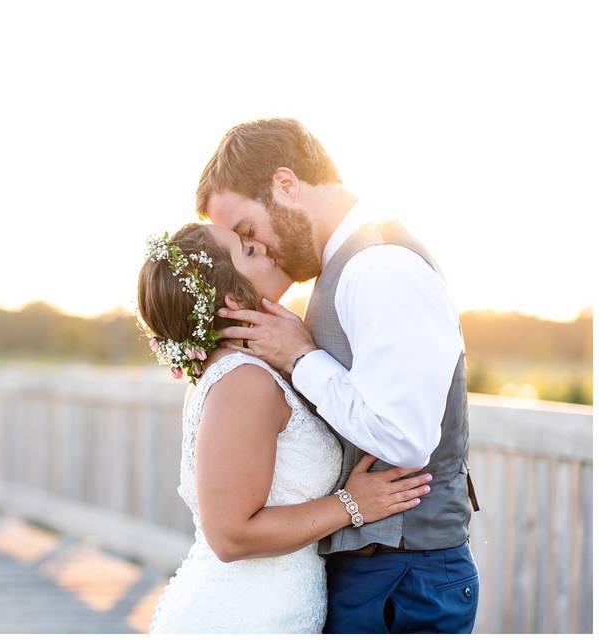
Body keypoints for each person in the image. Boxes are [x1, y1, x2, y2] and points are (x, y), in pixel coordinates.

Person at [197, 117, 481, 633]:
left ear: (286, 184)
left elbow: (404, 439)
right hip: (375, 567)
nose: (254, 251)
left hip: (403, 574)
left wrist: (301, 360)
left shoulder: (380, 267)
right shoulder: (341, 270)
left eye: (247, 231)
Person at [138, 223, 432, 633]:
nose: (263, 244)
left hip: (273, 608)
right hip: (243, 619)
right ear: (232, 299)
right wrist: (351, 505)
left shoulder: (249, 371)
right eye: (248, 250)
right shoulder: (243, 381)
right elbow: (230, 535)